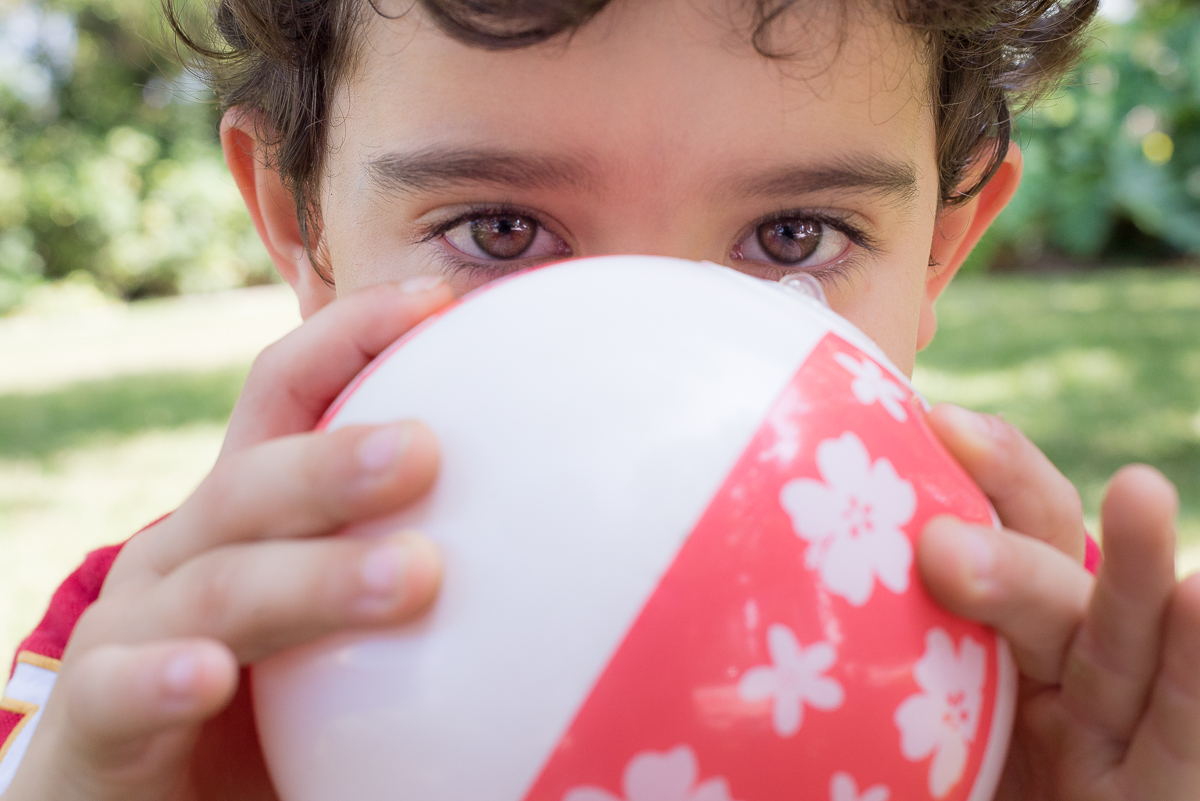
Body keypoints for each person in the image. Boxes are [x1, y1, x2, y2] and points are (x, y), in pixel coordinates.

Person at [2, 0, 1197, 798]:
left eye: (794, 237)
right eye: (501, 231)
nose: (644, 379)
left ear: (939, 250)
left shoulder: (1038, 659)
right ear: (298, 219)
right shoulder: (143, 660)